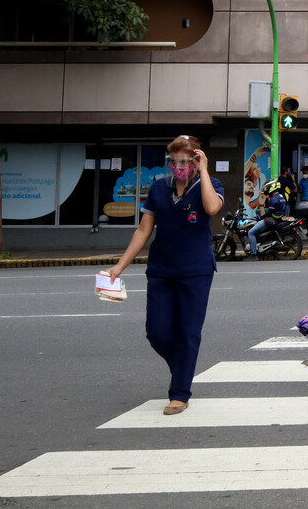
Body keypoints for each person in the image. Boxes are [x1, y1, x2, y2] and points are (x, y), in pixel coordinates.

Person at [104, 135, 224, 416]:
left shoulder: (210, 185)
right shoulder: (159, 187)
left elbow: (211, 208)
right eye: (174, 161)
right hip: (161, 270)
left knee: (188, 332)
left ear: (196, 160)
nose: (179, 166)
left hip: (196, 271)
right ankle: (181, 368)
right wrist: (119, 267)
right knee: (156, 332)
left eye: (185, 161)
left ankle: (180, 392)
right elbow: (143, 230)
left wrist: (204, 170)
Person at [246, 179, 288, 260]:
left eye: (267, 188)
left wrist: (260, 217)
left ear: (272, 187)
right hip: (278, 219)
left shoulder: (274, 199)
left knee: (251, 232)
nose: (266, 189)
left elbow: (269, 213)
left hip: (272, 220)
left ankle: (253, 255)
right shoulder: (281, 196)